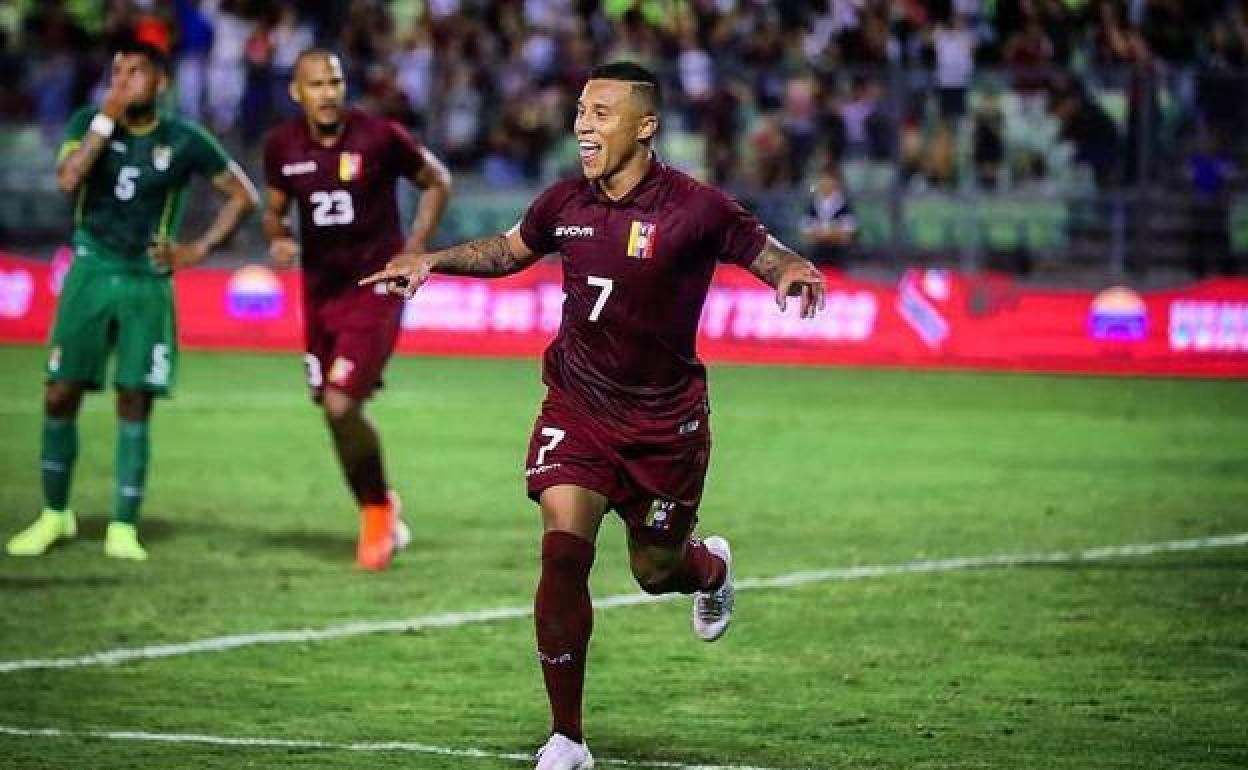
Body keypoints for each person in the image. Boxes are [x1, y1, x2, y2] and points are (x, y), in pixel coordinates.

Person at [361, 61, 825, 769]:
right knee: (562, 550)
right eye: (581, 110)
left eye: (602, 113)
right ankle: (568, 738)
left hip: (666, 425)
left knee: (655, 569)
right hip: (577, 406)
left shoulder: (695, 208)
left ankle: (708, 571)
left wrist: (793, 271)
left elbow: (765, 252)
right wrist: (432, 260)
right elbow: (507, 251)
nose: (583, 124)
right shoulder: (565, 203)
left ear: (645, 126)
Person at [6, 38, 258, 561]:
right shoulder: (86, 122)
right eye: (116, 72)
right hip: (91, 271)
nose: (122, 82)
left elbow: (242, 195)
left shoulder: (185, 139)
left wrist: (199, 249)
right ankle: (55, 514)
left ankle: (124, 524)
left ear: (160, 82)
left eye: (135, 72)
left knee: (134, 399)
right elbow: (68, 179)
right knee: (59, 392)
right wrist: (104, 120)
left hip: (146, 279)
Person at [261, 49, 452, 571]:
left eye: (335, 81)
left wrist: (414, 248)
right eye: (316, 84)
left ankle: (373, 516)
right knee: (334, 410)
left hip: (377, 287)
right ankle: (383, 503)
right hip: (320, 297)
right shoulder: (282, 145)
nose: (327, 92)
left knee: (341, 405)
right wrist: (278, 237)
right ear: (297, 92)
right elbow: (274, 211)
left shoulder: (379, 136)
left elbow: (437, 180)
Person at [801, 167, 859, 266]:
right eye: (823, 180)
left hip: (838, 254)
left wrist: (827, 235)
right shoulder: (812, 205)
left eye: (829, 180)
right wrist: (828, 233)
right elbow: (805, 234)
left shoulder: (844, 205)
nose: (826, 183)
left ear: (836, 182)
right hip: (817, 253)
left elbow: (848, 236)